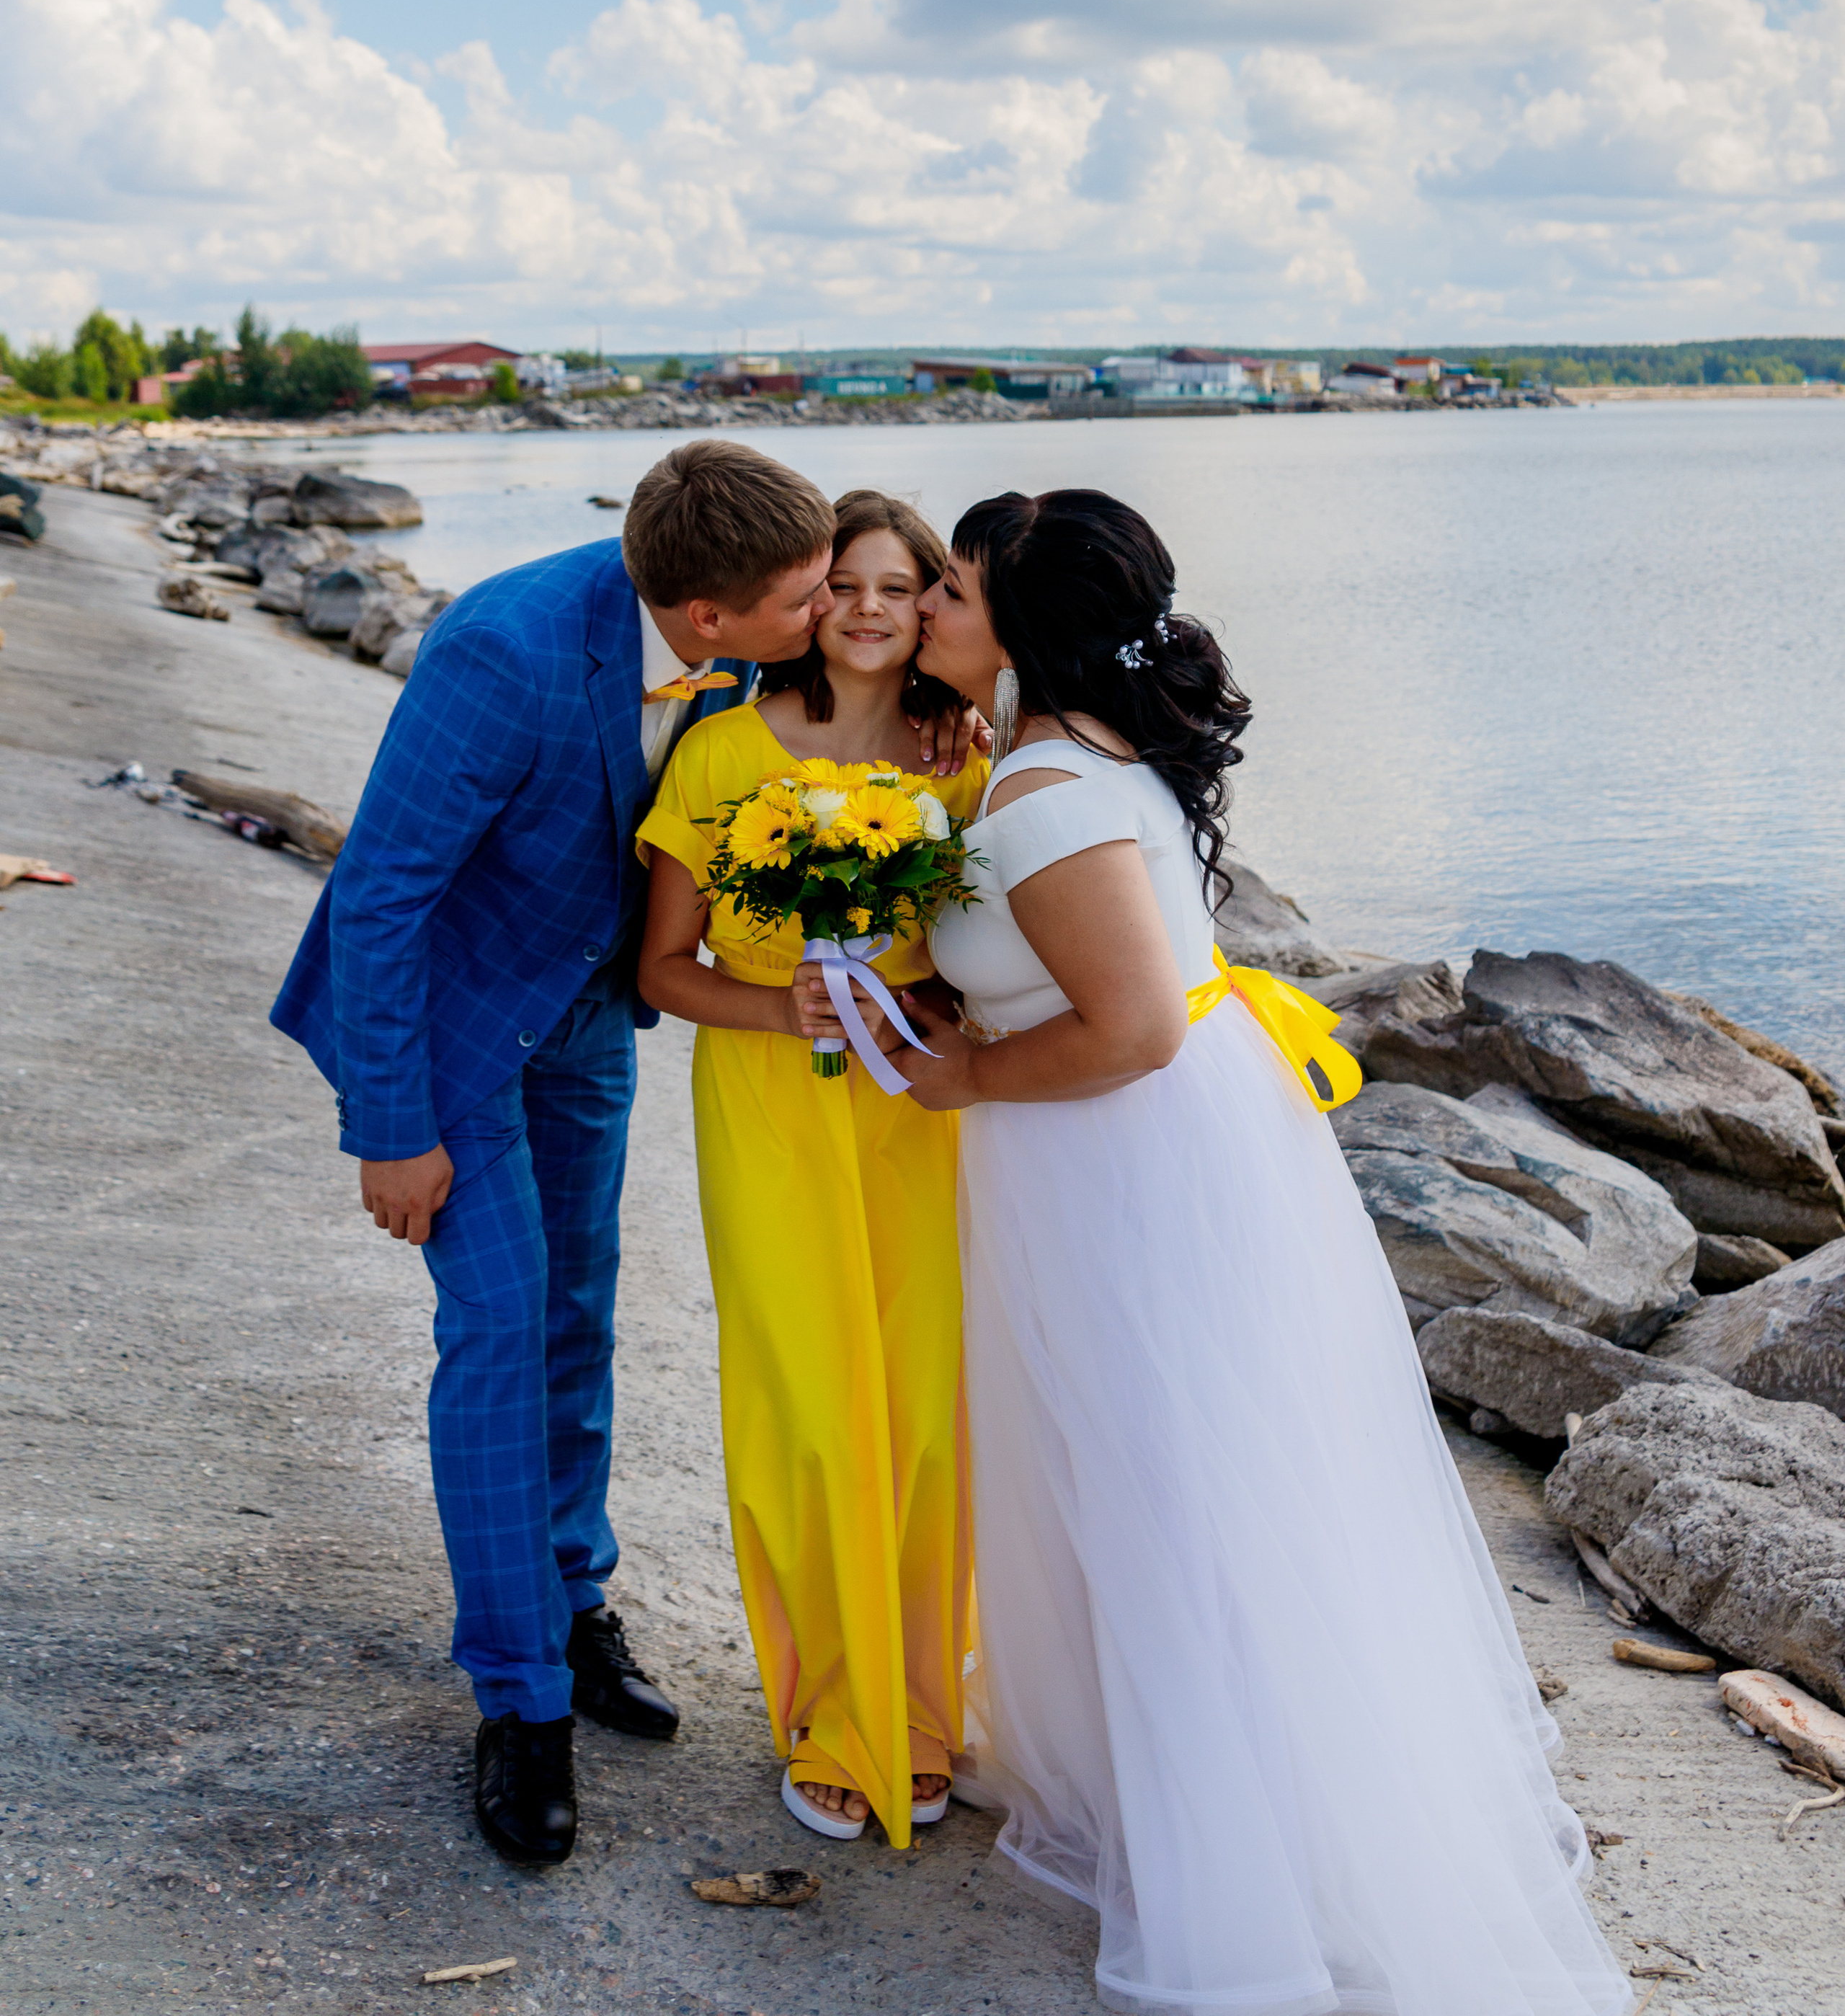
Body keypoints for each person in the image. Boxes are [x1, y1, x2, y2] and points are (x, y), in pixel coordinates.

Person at [889, 489, 1631, 2016]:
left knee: (1163, 1486)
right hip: (1128, 1149)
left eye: (952, 588)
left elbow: (1134, 1029)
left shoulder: (1043, 791)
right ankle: (1187, 1795)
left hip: (1115, 1156)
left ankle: (1235, 1872)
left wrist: (966, 1073)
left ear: (1022, 627)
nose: (928, 610)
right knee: (1162, 1470)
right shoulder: (1071, 755)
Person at [270, 440, 845, 1867]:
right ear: (706, 615)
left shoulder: (741, 641)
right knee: (502, 1327)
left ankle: (575, 1601)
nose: (827, 612)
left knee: (581, 1311)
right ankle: (519, 1699)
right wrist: (391, 1130)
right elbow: (380, 895)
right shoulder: (502, 653)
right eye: (807, 597)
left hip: (586, 1014)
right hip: (454, 1028)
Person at [636, 490, 984, 1850]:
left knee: (924, 1416)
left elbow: (990, 961)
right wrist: (783, 1008)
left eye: (900, 588)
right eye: (842, 584)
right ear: (803, 598)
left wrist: (927, 1007)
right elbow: (663, 971)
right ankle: (830, 1712)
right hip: (770, 1108)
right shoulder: (721, 751)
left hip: (915, 1114)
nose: (867, 610)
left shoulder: (959, 764)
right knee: (808, 1415)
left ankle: (922, 1709)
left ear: (930, 606)